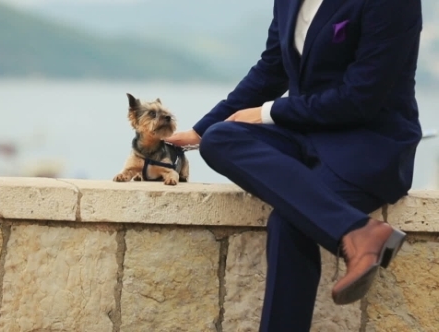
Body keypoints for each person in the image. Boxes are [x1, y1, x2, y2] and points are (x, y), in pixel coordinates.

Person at [165, 0, 423, 331]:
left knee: (290, 222)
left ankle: (358, 235)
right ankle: (357, 231)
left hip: (370, 145)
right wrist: (202, 128)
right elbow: (271, 68)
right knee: (221, 139)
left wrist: (267, 113)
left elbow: (361, 98)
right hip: (305, 135)